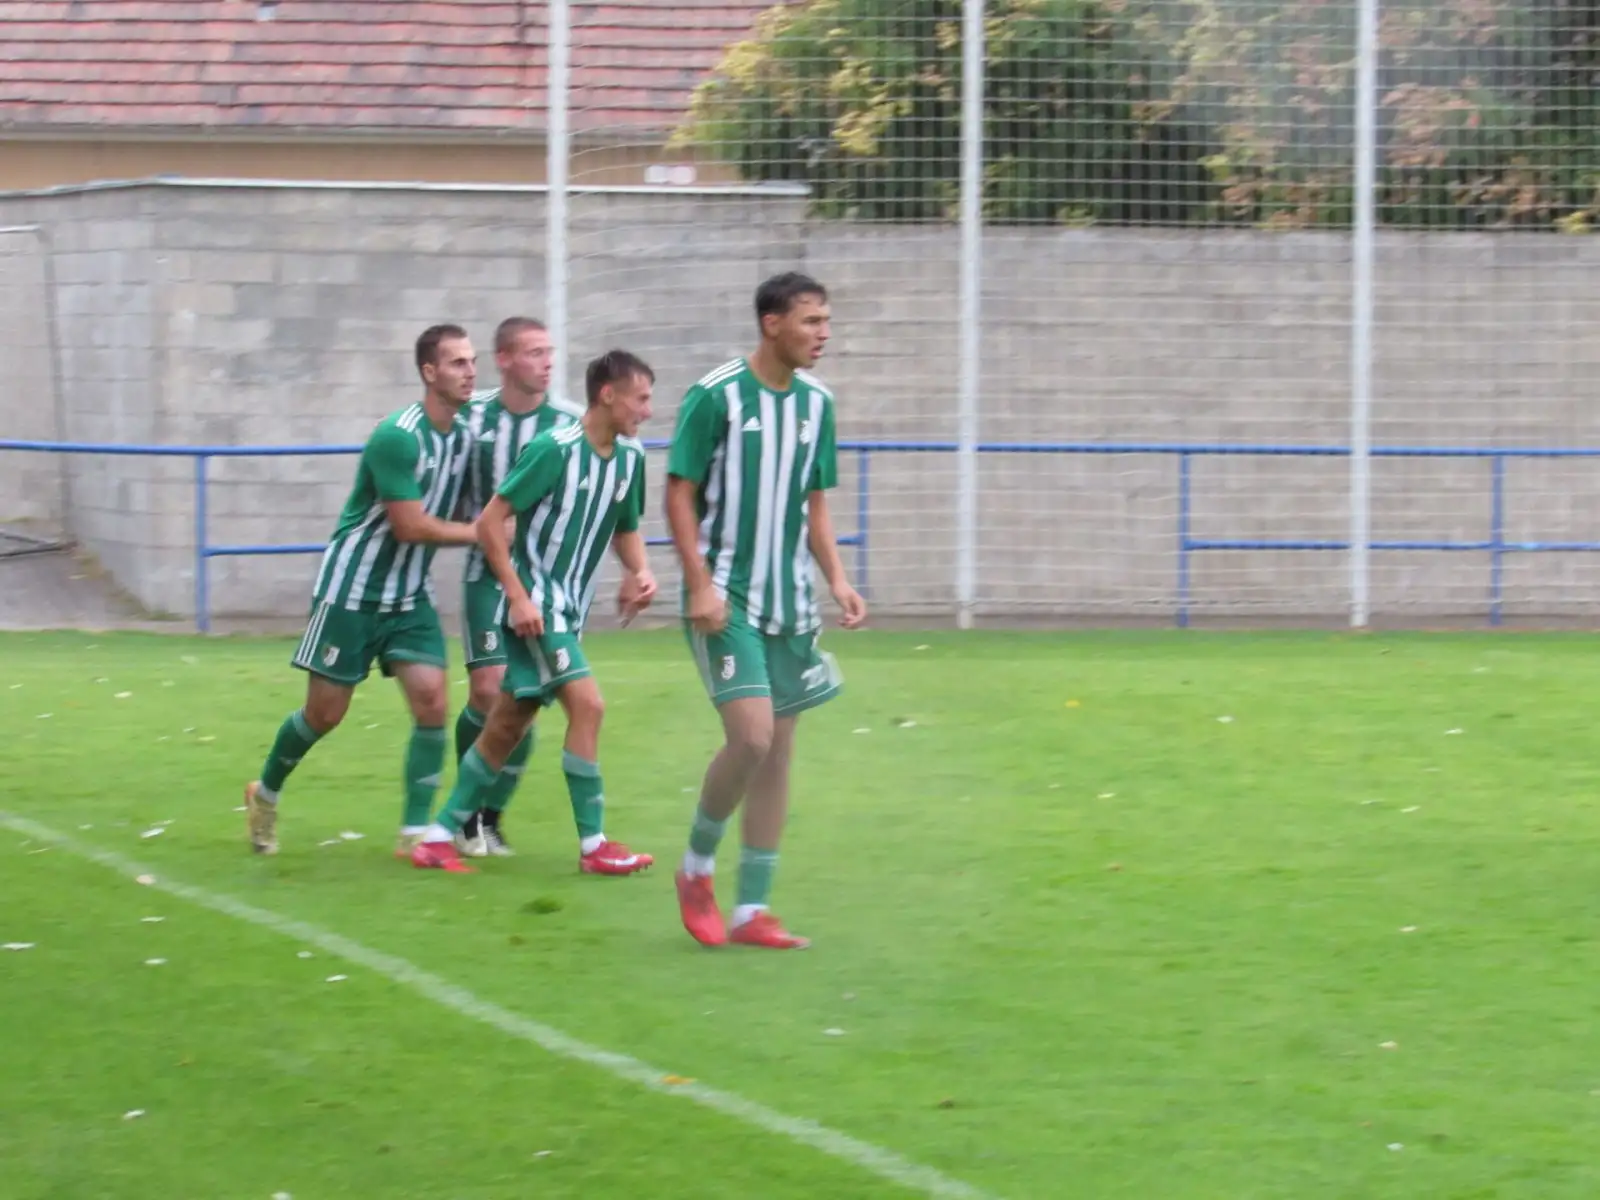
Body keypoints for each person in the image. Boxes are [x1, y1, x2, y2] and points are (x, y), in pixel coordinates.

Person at [665, 272, 867, 950]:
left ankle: (753, 909)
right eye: (811, 321)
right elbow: (678, 494)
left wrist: (836, 579)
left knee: (778, 753)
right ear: (771, 324)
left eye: (826, 321)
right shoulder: (715, 396)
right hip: (728, 598)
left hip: (791, 601)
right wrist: (696, 583)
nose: (824, 334)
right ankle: (696, 868)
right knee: (750, 737)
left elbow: (815, 503)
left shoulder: (818, 404)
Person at [411, 349, 660, 875]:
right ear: (607, 394)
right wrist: (519, 597)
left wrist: (640, 572)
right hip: (539, 610)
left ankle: (436, 837)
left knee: (505, 727)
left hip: (569, 613)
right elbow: (489, 522)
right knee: (588, 707)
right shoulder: (554, 449)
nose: (649, 411)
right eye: (641, 399)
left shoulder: (632, 458)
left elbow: (625, 526)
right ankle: (594, 846)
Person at [244, 324, 479, 857]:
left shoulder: (464, 435)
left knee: (433, 702)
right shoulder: (397, 436)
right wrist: (483, 533)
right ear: (428, 372)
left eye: (472, 361)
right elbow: (411, 527)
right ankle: (265, 793)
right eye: (457, 363)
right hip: (352, 591)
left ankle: (414, 833)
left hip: (408, 595)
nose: (469, 372)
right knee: (325, 714)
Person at [453, 316, 581, 858]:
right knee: (488, 689)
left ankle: (491, 817)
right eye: (534, 352)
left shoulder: (567, 424)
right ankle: (463, 820)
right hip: (486, 576)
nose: (547, 362)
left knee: (522, 697)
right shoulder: (473, 417)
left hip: (545, 583)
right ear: (504, 359)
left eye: (549, 352)